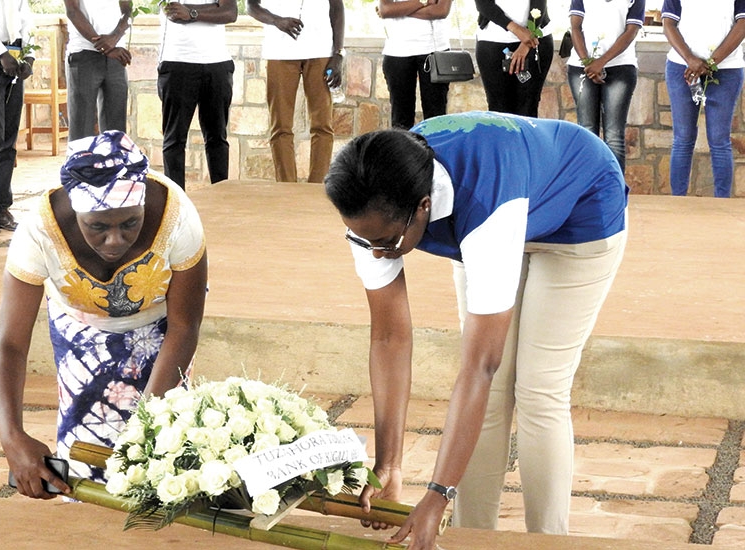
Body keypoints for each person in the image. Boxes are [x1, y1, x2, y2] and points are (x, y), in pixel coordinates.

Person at [324, 111, 628, 547]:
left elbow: (479, 366)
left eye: (386, 243)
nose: (375, 253)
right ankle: (471, 536)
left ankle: (547, 541)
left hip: (578, 208)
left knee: (539, 388)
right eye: (362, 240)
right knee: (493, 395)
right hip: (499, 206)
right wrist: (389, 463)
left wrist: (435, 495)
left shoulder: (485, 206)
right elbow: (390, 337)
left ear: (423, 207)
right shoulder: (377, 205)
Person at [0, 131, 209, 498]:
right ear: (76, 211)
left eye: (130, 223)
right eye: (98, 227)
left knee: (164, 455)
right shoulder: (39, 230)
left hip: (160, 333)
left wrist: (145, 424)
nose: (115, 240)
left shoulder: (177, 216)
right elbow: (10, 344)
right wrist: (12, 437)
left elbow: (185, 326)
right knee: (84, 459)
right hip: (80, 333)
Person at [246, 0, 344, 183]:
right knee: (280, 127)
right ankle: (287, 188)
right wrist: (276, 20)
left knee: (322, 125)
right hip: (279, 52)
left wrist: (338, 53)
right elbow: (251, 6)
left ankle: (316, 187)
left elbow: (337, 7)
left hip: (321, 51)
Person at [662, 0, 745, 198]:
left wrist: (710, 63)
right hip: (682, 67)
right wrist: (690, 59)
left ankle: (722, 204)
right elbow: (668, 23)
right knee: (683, 139)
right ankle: (678, 203)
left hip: (726, 69)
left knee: (719, 140)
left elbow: (742, 24)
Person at [157, 0, 237, 187]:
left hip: (217, 63)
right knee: (174, 140)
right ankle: (177, 201)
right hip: (177, 62)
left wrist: (191, 13)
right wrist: (214, 9)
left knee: (217, 139)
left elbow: (230, 12)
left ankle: (221, 195)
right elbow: (174, 12)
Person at [567, 0, 645, 173]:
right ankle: (588, 186)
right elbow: (575, 27)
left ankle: (614, 187)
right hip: (582, 67)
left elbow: (631, 31)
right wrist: (587, 62)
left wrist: (601, 62)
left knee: (614, 135)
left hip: (620, 67)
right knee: (587, 131)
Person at [0, 0, 35, 234]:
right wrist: (1, 54)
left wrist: (29, 56)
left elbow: (27, 22)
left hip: (15, 56)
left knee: (8, 139)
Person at [376, 0, 453, 130]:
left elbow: (441, 11)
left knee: (436, 119)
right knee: (401, 121)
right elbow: (386, 10)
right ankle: (402, 145)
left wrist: (399, 10)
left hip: (435, 50)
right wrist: (425, 2)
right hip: (397, 51)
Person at [63, 0, 131, 142]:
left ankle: (113, 158)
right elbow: (72, 11)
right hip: (83, 54)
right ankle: (82, 158)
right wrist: (105, 46)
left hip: (116, 55)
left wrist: (115, 37)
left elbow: (127, 9)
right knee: (81, 131)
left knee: (116, 132)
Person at [475, 0, 552, 117]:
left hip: (535, 41)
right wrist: (516, 29)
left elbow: (539, 3)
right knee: (499, 110)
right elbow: (483, 4)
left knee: (528, 108)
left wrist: (527, 42)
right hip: (492, 42)